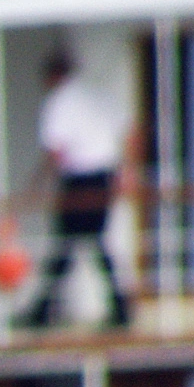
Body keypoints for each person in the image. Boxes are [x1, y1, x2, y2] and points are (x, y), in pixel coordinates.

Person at [25, 45, 134, 328]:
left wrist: (35, 184)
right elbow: (127, 130)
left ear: (53, 75)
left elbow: (55, 151)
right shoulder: (96, 94)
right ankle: (119, 307)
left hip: (79, 180)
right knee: (94, 242)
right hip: (104, 177)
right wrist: (125, 171)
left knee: (67, 244)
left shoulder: (59, 102)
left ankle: (43, 310)